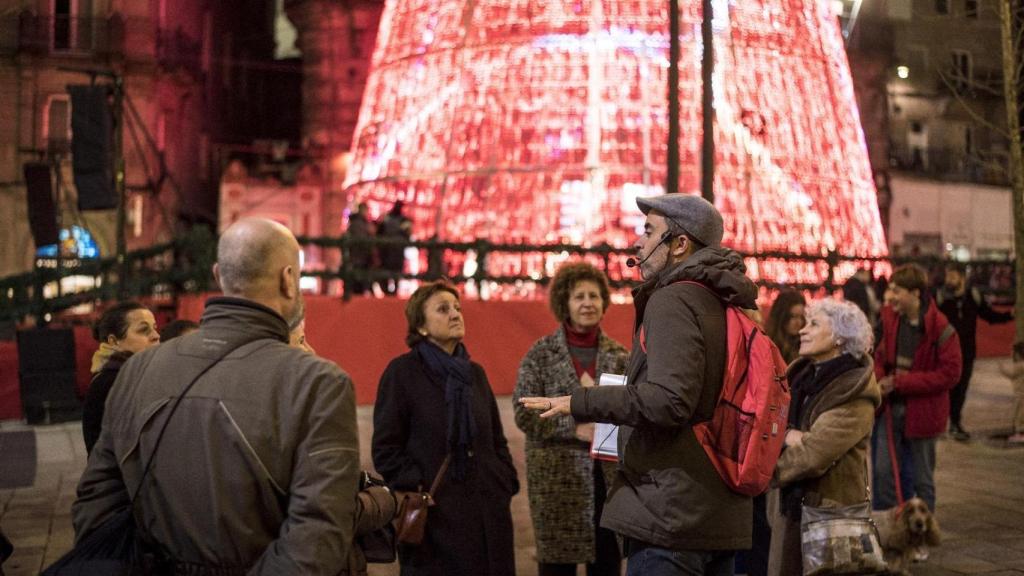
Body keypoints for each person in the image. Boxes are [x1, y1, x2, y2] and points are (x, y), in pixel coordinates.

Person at [72, 218, 361, 574]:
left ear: (219, 275)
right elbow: (318, 537)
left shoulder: (138, 370)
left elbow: (95, 501)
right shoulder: (319, 382)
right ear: (288, 279)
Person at [521, 193, 759, 576]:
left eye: (649, 232)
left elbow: (669, 401)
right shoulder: (725, 300)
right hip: (718, 512)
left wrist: (580, 401)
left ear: (680, 244)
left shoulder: (673, 299)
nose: (639, 242)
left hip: (669, 513)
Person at [372, 280, 519, 576]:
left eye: (457, 308)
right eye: (443, 309)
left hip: (488, 517)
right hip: (437, 521)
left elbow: (496, 439)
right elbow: (386, 449)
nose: (455, 314)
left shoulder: (474, 373)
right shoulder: (403, 373)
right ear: (421, 327)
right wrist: (417, 483)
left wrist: (503, 480)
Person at [513, 262, 628, 576]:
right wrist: (574, 429)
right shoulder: (540, 354)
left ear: (605, 302)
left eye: (594, 296)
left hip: (608, 481)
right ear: (564, 302)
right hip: (556, 482)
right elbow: (523, 412)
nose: (588, 303)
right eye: (579, 297)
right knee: (557, 566)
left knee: (606, 563)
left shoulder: (620, 356)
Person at [767, 299, 881, 575]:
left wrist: (762, 472)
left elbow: (813, 454)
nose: (802, 331)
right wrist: (789, 436)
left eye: (814, 324)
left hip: (827, 517)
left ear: (840, 337)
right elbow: (770, 426)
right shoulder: (801, 379)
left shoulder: (853, 391)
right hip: (790, 510)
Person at [872, 264, 961, 516]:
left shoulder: (941, 328)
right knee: (883, 474)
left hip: (922, 413)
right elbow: (879, 356)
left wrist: (900, 382)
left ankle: (921, 535)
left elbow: (950, 374)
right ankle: (891, 532)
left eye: (896, 290)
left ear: (915, 293)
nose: (891, 296)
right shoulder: (889, 318)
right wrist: (880, 378)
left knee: (922, 479)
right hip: (890, 409)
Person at [936, 262, 1013, 441]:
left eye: (953, 276)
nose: (949, 280)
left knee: (961, 389)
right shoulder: (941, 298)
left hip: (967, 351)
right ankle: (941, 423)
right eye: (948, 276)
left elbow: (989, 316)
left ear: (962, 278)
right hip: (945, 352)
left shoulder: (973, 296)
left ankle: (955, 423)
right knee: (946, 389)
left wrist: (1010, 315)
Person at [81, 301, 160, 454]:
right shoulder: (111, 383)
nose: (156, 336)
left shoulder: (141, 374)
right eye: (144, 330)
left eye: (155, 328)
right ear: (114, 341)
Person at [377, 201, 412, 295]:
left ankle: (389, 291)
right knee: (393, 271)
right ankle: (391, 291)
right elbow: (408, 234)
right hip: (393, 250)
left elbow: (379, 232)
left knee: (389, 271)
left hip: (389, 250)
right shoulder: (403, 220)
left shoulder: (388, 218)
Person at [764, 289, 806, 364]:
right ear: (782, 316)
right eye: (793, 316)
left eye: (801, 317)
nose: (799, 322)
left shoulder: (805, 345)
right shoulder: (767, 345)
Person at [345, 202, 375, 295]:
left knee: (358, 283)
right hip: (360, 257)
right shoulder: (360, 224)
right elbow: (362, 241)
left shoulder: (356, 223)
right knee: (359, 282)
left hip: (357, 257)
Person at [1000, 341, 1024, 445]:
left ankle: (1020, 434)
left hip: (1021, 395)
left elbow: (1011, 374)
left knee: (1019, 414)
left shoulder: (1020, 365)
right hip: (1021, 394)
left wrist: (1001, 369)